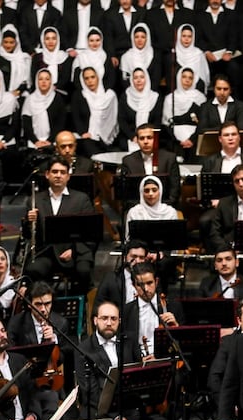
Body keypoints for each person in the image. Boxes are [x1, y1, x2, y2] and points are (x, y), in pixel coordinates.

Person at [23, 157, 97, 291]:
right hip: (47, 253)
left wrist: (73, 251)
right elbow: (28, 235)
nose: (58, 175)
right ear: (47, 174)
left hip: (75, 251)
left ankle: (80, 306)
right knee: (33, 270)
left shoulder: (81, 199)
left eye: (62, 172)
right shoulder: (35, 200)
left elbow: (90, 234)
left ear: (68, 176)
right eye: (54, 172)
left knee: (83, 271)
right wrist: (29, 222)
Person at [121, 124, 181, 206]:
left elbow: (175, 189)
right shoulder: (128, 161)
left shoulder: (170, 158)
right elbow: (126, 193)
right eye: (142, 138)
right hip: (138, 208)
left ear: (156, 139)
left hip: (165, 207)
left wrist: (162, 207)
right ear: (137, 140)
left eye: (149, 138)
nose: (145, 142)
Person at [70, 66, 119, 156]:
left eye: (93, 77)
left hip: (108, 138)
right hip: (88, 137)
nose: (90, 81)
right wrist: (83, 133)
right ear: (82, 80)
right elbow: (76, 117)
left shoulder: (109, 95)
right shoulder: (79, 96)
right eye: (86, 78)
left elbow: (114, 119)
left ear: (98, 77)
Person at [162, 67, 206, 162]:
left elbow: (203, 122)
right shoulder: (170, 98)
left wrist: (191, 140)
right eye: (184, 77)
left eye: (190, 78)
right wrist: (179, 141)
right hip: (174, 139)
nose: (187, 80)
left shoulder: (200, 98)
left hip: (195, 138)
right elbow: (167, 123)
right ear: (179, 78)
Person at [21, 69, 67, 151]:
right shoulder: (30, 99)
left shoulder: (57, 98)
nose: (44, 82)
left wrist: (49, 141)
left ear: (51, 81)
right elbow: (26, 124)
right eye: (41, 79)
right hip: (34, 143)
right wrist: (36, 141)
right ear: (36, 81)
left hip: (52, 142)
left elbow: (60, 123)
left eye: (47, 79)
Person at [96, 239, 148, 307]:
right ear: (124, 257)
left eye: (141, 257)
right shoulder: (111, 278)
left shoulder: (151, 281)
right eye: (134, 257)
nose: (137, 261)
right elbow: (98, 306)